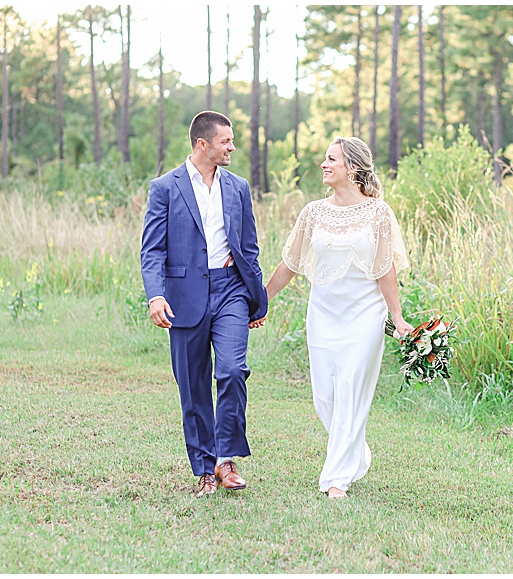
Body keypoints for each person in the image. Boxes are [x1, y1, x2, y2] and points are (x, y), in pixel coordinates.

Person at [262, 136, 414, 499]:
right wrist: (261, 301)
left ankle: (336, 480)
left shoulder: (378, 213)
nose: (324, 165)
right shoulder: (313, 212)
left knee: (349, 389)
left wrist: (398, 317)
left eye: (332, 159)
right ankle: (354, 451)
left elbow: (385, 269)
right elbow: (291, 264)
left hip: (365, 314)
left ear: (353, 168)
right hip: (324, 314)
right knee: (325, 396)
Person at [140, 111, 268, 497]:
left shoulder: (239, 186)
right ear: (202, 144)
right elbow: (152, 250)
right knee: (193, 386)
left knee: (232, 370)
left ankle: (227, 460)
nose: (232, 147)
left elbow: (248, 247)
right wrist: (156, 294)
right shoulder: (164, 187)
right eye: (226, 141)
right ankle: (204, 469)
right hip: (183, 298)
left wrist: (255, 298)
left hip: (230, 291)